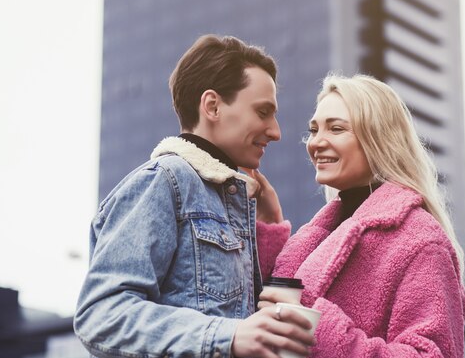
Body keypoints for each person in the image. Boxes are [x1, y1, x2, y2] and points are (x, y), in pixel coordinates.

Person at [74, 34, 314, 358]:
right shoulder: (164, 182)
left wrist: (269, 231)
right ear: (212, 106)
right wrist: (225, 337)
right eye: (263, 112)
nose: (276, 131)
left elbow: (255, 327)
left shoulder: (229, 201)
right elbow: (102, 316)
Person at [253, 74, 465, 357]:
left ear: (378, 137)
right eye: (314, 130)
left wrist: (317, 330)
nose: (316, 142)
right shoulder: (317, 237)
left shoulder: (421, 242)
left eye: (336, 129)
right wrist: (267, 225)